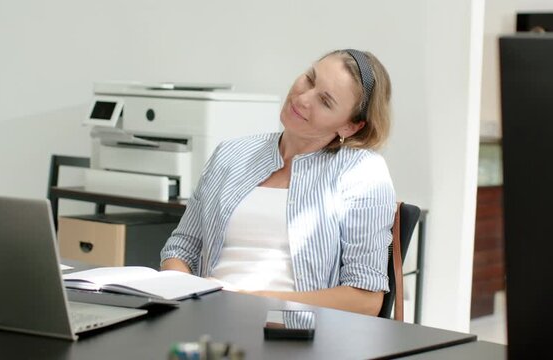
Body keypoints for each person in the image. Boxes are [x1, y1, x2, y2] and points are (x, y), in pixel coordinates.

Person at [160, 49, 395, 317]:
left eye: (325, 101)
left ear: (350, 127)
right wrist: (185, 296)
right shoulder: (231, 153)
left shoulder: (362, 172)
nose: (303, 98)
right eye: (309, 78)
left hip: (294, 332)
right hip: (209, 320)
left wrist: (251, 301)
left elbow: (365, 299)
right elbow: (181, 248)